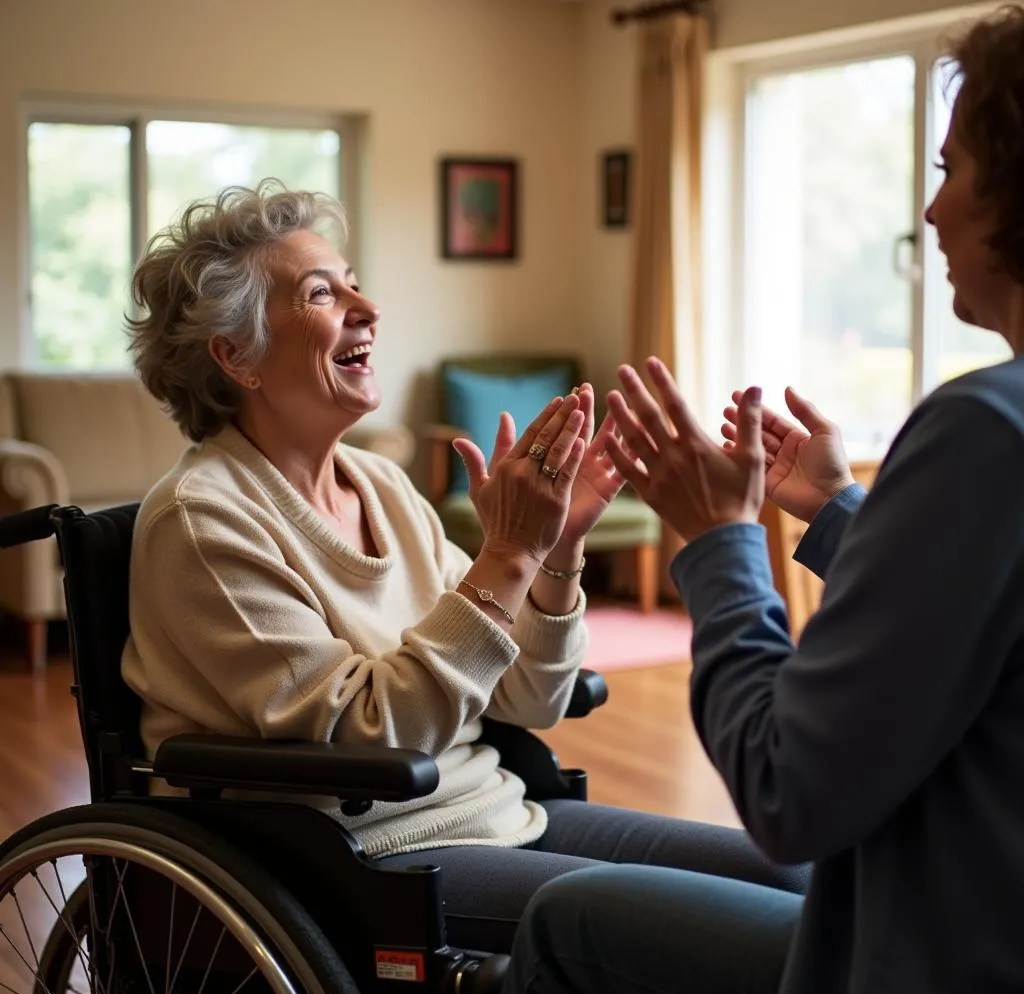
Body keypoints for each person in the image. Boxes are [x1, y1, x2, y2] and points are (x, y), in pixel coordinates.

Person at [492, 4, 1024, 994]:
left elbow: (789, 789)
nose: (930, 214)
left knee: (570, 927)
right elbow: (976, 617)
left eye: (950, 170)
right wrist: (832, 512)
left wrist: (719, 544)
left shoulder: (984, 430)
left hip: (935, 976)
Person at [120, 180, 806, 954]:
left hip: (500, 812)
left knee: (803, 879)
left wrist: (558, 548)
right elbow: (371, 734)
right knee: (748, 941)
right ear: (235, 355)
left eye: (353, 281)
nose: (367, 307)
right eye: (322, 293)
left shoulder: (379, 484)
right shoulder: (205, 518)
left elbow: (529, 697)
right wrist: (507, 553)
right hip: (366, 863)